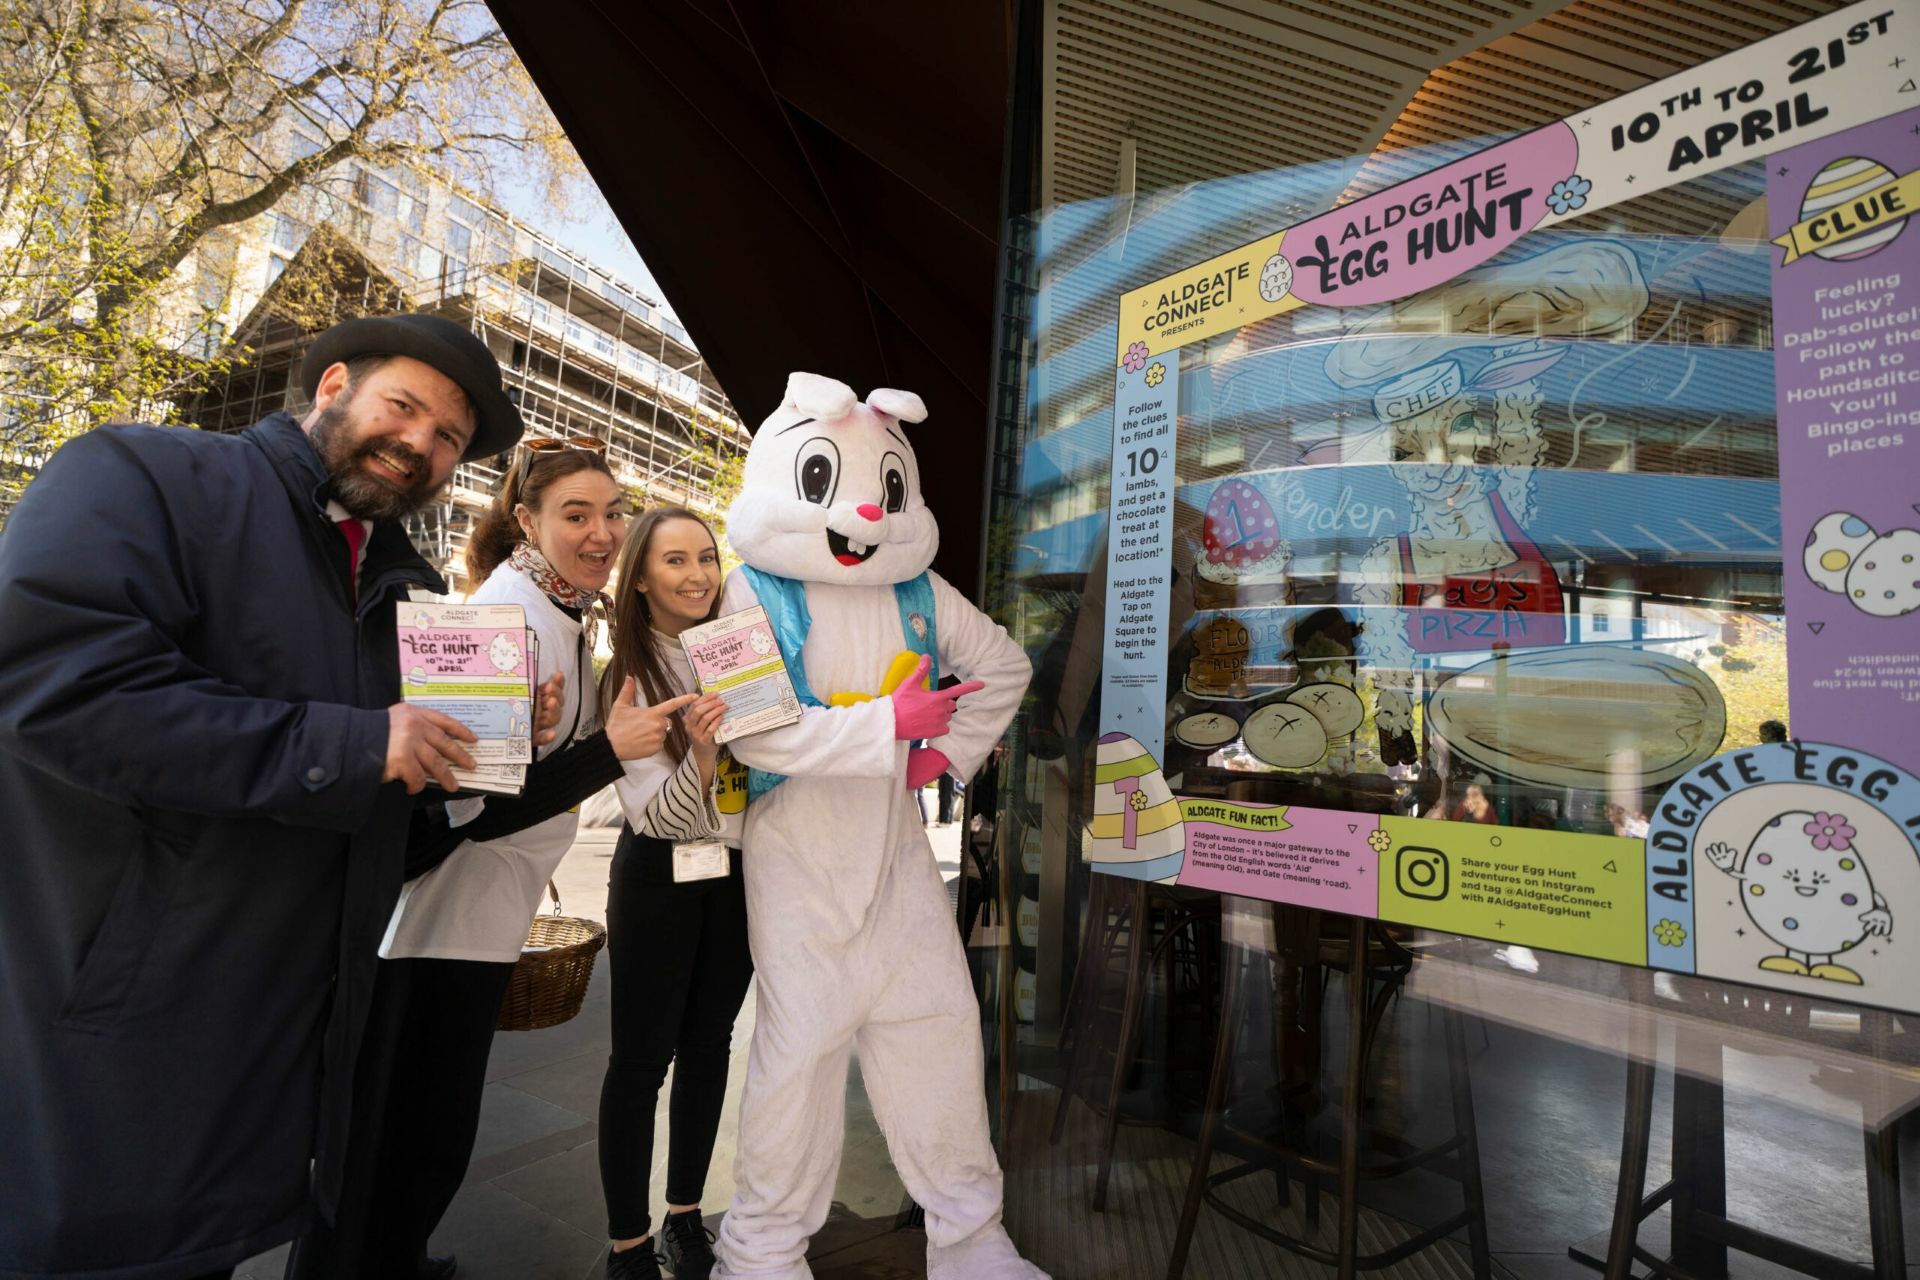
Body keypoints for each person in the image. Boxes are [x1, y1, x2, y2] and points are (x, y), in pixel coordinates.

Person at [0, 315, 526, 1280]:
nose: (420, 443)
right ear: (332, 386)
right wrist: (363, 743)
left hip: (259, 1068)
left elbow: (361, 815)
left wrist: (469, 757)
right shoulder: (147, 472)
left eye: (449, 437)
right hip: (107, 1059)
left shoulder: (401, 587)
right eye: (403, 406)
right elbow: (54, 686)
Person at [288, 443, 700, 1279]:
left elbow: (496, 772)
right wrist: (607, 752)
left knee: (421, 1145)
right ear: (526, 521)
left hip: (477, 920)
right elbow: (462, 812)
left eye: (612, 513)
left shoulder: (561, 615)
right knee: (392, 1149)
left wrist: (551, 737)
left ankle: (395, 1260)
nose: (601, 532)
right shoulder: (502, 614)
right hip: (433, 926)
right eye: (575, 515)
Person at [711, 373, 1044, 1280]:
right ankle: (761, 1252)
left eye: (885, 488)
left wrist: (942, 757)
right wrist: (890, 731)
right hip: (797, 855)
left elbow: (1004, 668)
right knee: (798, 1055)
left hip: (895, 854)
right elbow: (753, 726)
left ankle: (972, 1238)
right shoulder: (747, 592)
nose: (863, 507)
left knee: (936, 1030)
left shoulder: (923, 591)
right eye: (828, 480)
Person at [597, 507, 747, 1280]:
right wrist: (704, 748)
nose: (697, 576)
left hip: (736, 878)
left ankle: (686, 1214)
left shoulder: (737, 651)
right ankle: (628, 1242)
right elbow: (655, 815)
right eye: (675, 562)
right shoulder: (627, 671)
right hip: (659, 876)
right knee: (640, 1061)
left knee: (711, 1047)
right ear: (643, 580)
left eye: (707, 558)